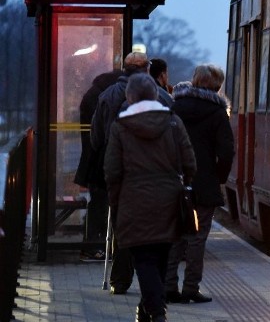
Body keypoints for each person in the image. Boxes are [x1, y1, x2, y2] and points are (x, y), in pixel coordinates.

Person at [104, 73, 196, 322]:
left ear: (129, 97)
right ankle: (149, 309)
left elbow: (112, 171)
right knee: (161, 257)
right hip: (169, 201)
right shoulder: (174, 123)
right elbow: (190, 163)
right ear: (156, 95)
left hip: (133, 201)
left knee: (143, 259)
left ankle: (156, 313)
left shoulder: (120, 128)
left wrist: (116, 202)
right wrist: (182, 187)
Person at [91, 51, 171, 295]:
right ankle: (154, 284)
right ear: (147, 69)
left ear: (124, 68)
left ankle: (120, 280)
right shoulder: (165, 98)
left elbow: (96, 139)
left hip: (122, 174)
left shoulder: (106, 96)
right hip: (158, 176)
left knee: (122, 226)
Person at [164, 64, 235, 304]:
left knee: (174, 234)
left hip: (174, 180)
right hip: (204, 183)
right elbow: (226, 152)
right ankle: (191, 288)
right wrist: (218, 177)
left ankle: (168, 286)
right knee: (197, 237)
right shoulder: (216, 112)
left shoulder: (174, 107)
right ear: (216, 86)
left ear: (194, 81)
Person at [74, 68, 123, 261]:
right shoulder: (101, 98)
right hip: (98, 161)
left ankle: (94, 244)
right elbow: (100, 134)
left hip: (94, 160)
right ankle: (93, 245)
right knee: (100, 204)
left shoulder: (95, 94)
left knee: (99, 203)